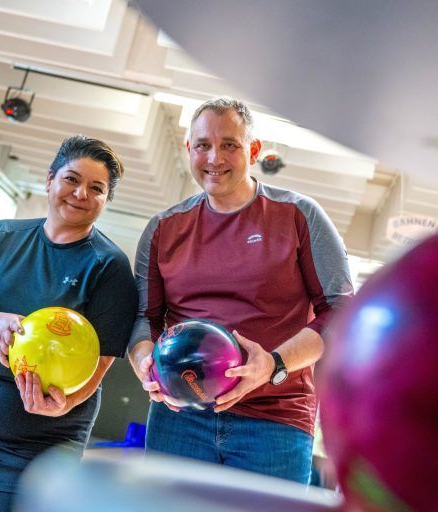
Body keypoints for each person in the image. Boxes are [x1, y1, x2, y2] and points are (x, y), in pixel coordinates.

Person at [128, 97, 353, 484]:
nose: (214, 157)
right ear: (189, 150)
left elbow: (341, 312)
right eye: (203, 145)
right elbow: (143, 319)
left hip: (275, 422)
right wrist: (145, 365)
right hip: (180, 418)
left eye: (229, 144)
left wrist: (274, 364)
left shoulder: (299, 215)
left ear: (252, 150)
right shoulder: (164, 228)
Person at [0, 135, 138, 511]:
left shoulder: (110, 266)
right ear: (50, 180)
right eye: (71, 179)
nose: (80, 193)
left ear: (106, 200)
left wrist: (65, 404)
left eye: (96, 188)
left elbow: (101, 363)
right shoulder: (0, 236)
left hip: (38, 449)